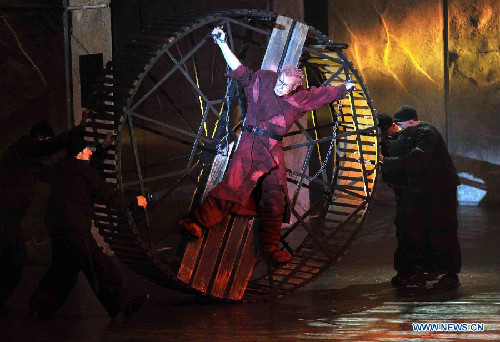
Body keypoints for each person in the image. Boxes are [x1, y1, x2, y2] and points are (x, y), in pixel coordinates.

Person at [179, 27, 356, 264]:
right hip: (251, 144)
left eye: (286, 86)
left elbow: (323, 94)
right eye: (280, 81)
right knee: (233, 186)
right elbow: (240, 70)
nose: (280, 87)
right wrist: (222, 43)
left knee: (275, 195)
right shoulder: (262, 82)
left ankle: (270, 247)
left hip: (273, 150)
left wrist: (344, 88)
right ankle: (196, 222)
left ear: (295, 87)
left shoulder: (299, 99)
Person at [29, 130, 150, 319]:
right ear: (79, 153)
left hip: (57, 227)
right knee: (100, 266)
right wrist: (136, 201)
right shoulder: (83, 172)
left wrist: (103, 147)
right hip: (75, 228)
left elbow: (89, 169)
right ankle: (123, 304)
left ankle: (40, 305)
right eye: (87, 149)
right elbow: (110, 197)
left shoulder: (64, 167)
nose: (90, 152)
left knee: (63, 270)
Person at [382, 105, 462, 289]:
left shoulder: (426, 133)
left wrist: (386, 162)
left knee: (443, 230)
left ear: (410, 121)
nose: (398, 129)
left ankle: (449, 273)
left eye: (400, 124)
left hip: (440, 190)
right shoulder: (412, 134)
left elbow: (418, 159)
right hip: (425, 191)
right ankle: (427, 269)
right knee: (424, 230)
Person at [0, 121, 71, 317]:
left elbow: (53, 175)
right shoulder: (23, 148)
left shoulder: (26, 157)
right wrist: (76, 132)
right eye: (46, 140)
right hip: (6, 215)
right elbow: (49, 148)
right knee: (14, 257)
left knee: (13, 257)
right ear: (39, 138)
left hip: (10, 216)